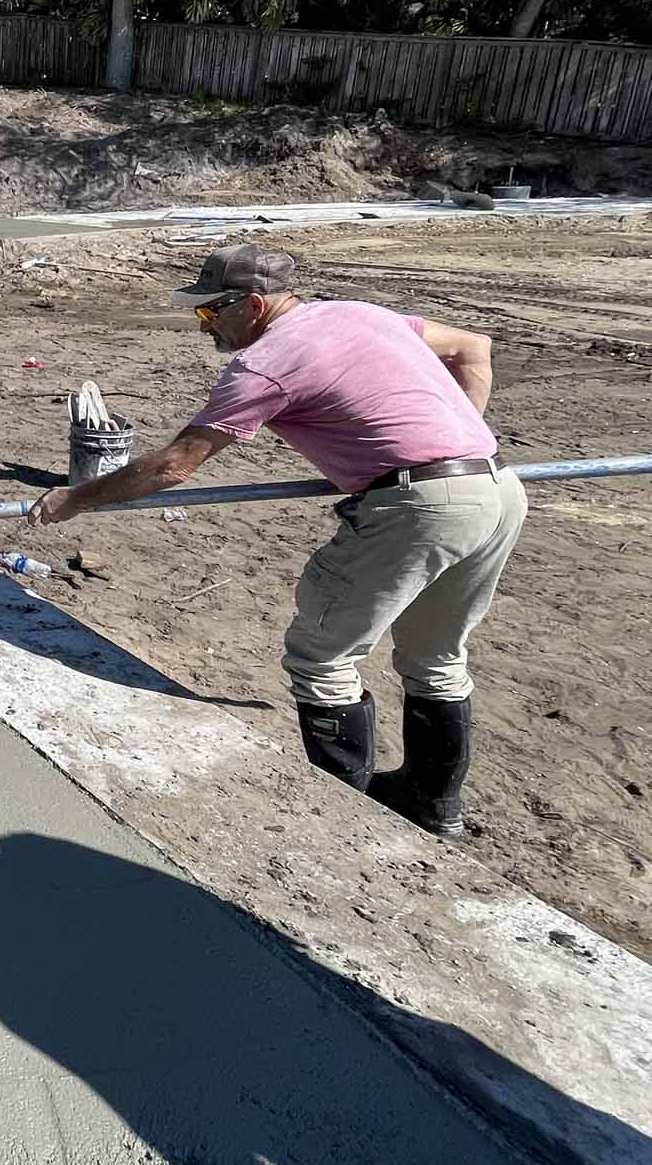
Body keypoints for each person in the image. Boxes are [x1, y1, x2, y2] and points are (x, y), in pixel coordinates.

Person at [28, 244, 524, 837]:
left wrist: (72, 499)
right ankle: (430, 805)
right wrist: (460, 441)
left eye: (212, 314)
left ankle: (352, 824)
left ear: (255, 304)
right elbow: (474, 347)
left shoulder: (266, 363)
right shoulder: (362, 314)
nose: (203, 326)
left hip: (418, 507)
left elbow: (172, 466)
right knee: (437, 659)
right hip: (494, 490)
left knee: (323, 658)